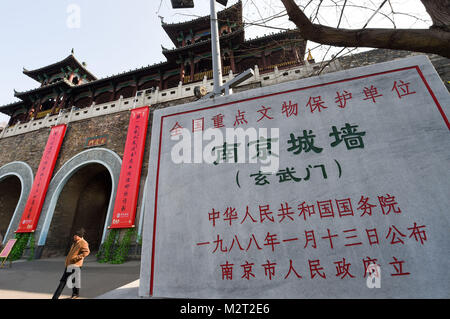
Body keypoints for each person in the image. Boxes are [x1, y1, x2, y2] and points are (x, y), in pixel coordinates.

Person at [52, 228, 90, 299]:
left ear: (79, 236)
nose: (74, 237)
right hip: (69, 264)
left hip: (75, 265)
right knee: (74, 281)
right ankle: (75, 294)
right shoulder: (75, 242)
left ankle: (55, 297)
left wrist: (76, 258)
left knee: (63, 281)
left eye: (75, 236)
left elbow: (86, 252)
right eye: (74, 235)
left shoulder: (83, 243)